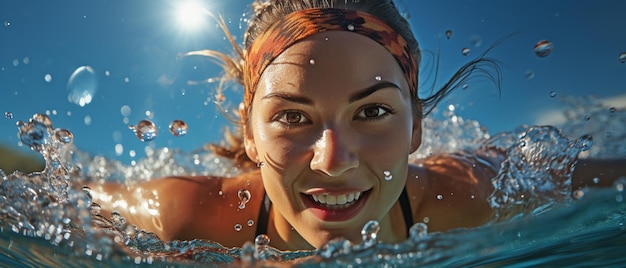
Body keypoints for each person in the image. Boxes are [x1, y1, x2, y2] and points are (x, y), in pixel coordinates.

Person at [90, 0, 626, 251]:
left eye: (372, 111)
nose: (333, 159)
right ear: (251, 136)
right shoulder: (187, 214)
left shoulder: (473, 197)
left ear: (415, 127)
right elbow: (48, 201)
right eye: (292, 117)